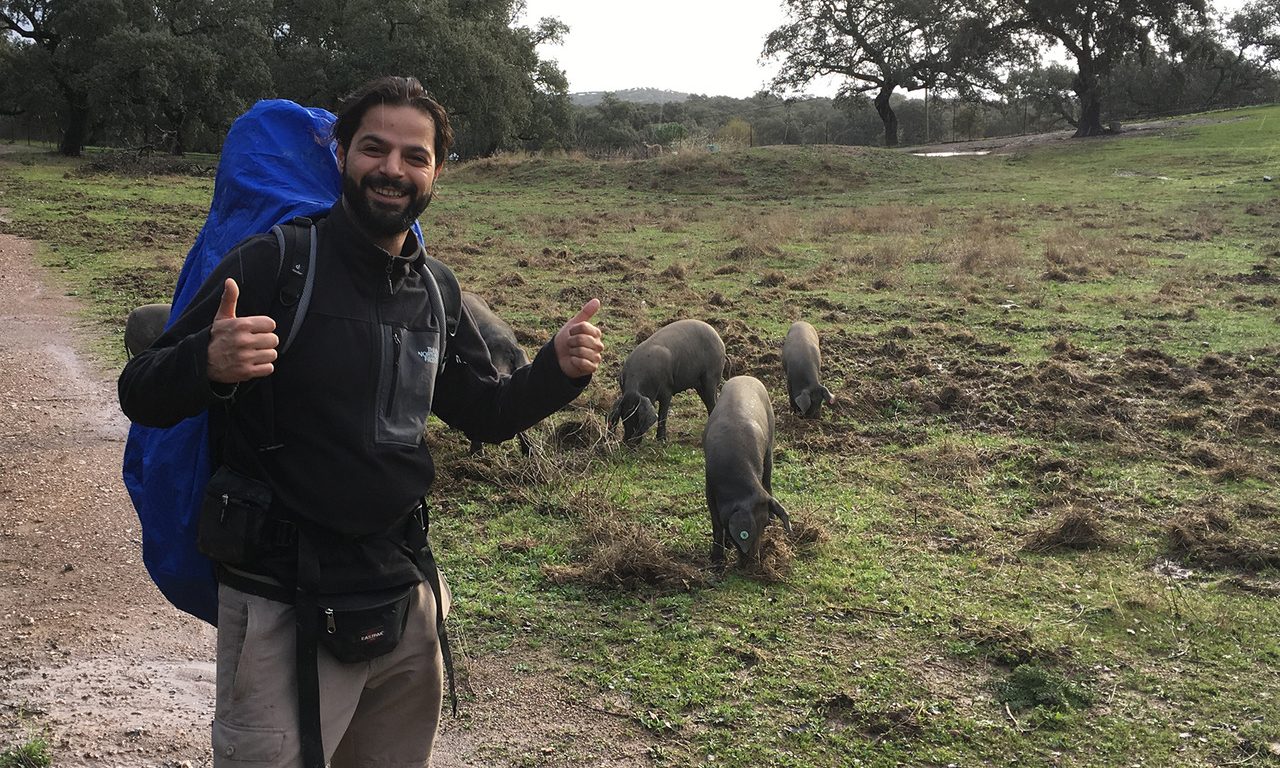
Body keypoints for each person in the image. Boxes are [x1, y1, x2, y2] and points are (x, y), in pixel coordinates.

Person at [117, 75, 604, 767]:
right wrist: (207, 360)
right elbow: (141, 391)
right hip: (278, 602)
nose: (393, 170)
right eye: (375, 148)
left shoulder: (434, 288)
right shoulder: (275, 262)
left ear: (437, 171)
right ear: (342, 153)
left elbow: (486, 414)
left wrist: (557, 370)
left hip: (402, 592)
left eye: (415, 156)